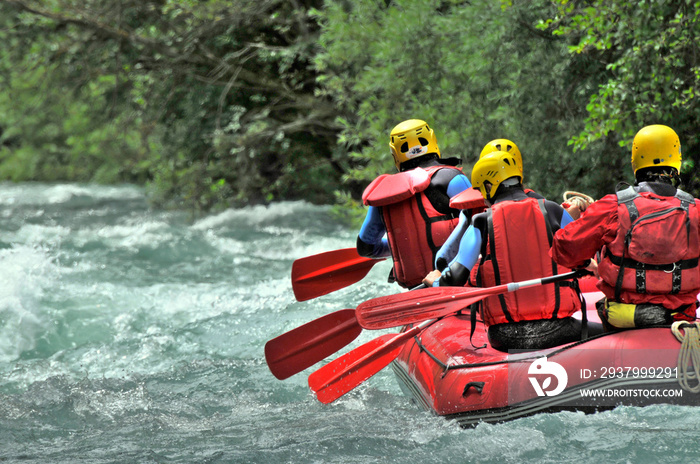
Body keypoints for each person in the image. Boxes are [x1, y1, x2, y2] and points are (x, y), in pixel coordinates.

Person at [423, 151, 585, 351]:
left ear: (489, 186)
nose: (483, 198)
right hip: (559, 329)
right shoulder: (553, 210)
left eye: (482, 191)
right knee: (608, 330)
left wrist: (435, 281)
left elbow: (455, 278)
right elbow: (585, 252)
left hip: (505, 337)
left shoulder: (481, 222)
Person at [551, 124, 700, 331]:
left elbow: (564, 249)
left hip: (625, 317)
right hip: (681, 316)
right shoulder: (696, 210)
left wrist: (586, 259)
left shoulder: (613, 206)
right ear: (677, 161)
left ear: (636, 162)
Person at [357, 119, 471, 289]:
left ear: (395, 154)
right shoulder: (451, 178)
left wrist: (402, 245)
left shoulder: (383, 196)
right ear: (432, 140)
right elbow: (478, 223)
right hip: (458, 282)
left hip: (417, 291)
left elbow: (366, 248)